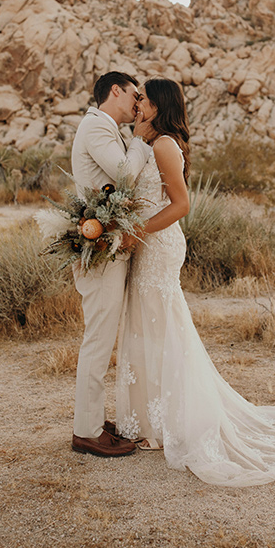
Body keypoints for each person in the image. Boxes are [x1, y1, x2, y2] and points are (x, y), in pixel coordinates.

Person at [116, 77, 275, 486]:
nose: (136, 103)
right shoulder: (151, 141)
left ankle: (165, 426)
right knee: (147, 327)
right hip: (148, 242)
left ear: (158, 103)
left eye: (142, 98)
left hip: (158, 244)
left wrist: (137, 232)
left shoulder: (164, 145)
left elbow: (181, 204)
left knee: (160, 327)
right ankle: (148, 420)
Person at [71, 71, 154, 457]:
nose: (139, 103)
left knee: (103, 335)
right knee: (99, 338)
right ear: (115, 91)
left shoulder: (107, 128)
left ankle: (91, 417)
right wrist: (139, 139)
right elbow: (122, 174)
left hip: (109, 242)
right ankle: (86, 431)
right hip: (101, 247)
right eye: (134, 95)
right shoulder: (96, 128)